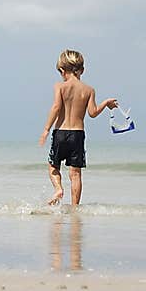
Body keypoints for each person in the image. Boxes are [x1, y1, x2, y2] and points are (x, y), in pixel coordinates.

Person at [38, 49, 118, 206]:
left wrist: (46, 129)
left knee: (53, 166)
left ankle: (59, 189)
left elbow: (56, 107)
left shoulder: (60, 87)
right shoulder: (89, 90)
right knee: (75, 174)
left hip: (60, 132)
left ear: (62, 70)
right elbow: (93, 113)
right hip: (78, 135)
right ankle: (75, 208)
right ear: (82, 69)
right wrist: (105, 104)